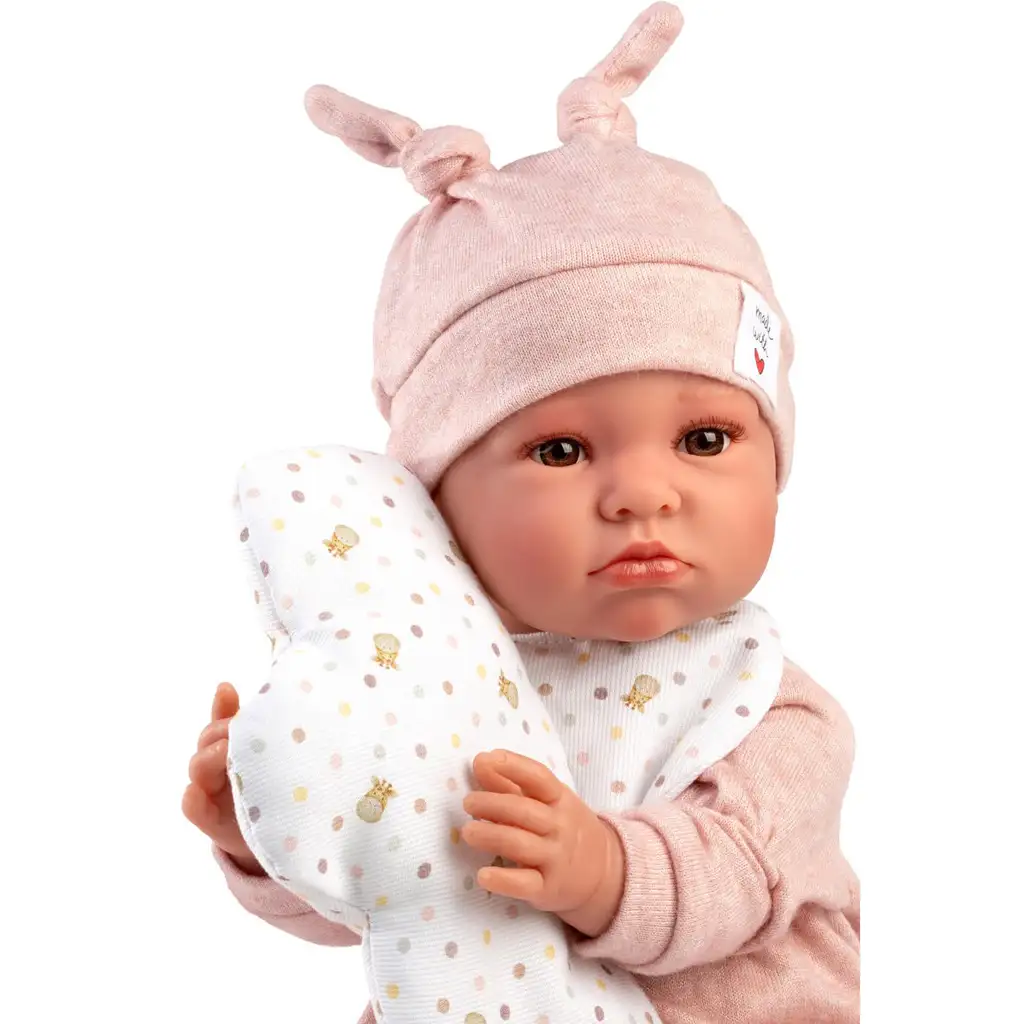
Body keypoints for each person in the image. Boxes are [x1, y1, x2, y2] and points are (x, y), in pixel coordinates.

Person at [183, 4, 859, 1020]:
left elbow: (740, 874)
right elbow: (397, 886)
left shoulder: (770, 706)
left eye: (705, 438)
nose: (645, 493)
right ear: (437, 501)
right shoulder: (430, 683)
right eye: (560, 451)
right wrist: (268, 833)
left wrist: (604, 871)